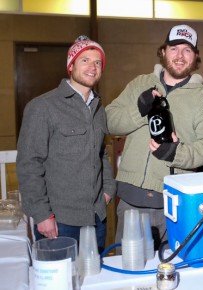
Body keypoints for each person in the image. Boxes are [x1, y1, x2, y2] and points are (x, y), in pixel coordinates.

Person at [105, 24, 203, 251]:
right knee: (131, 274)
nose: (179, 56)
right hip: (130, 203)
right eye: (174, 48)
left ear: (195, 57)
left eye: (187, 50)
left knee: (174, 272)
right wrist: (139, 109)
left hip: (175, 203)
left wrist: (177, 154)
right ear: (163, 51)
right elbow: (109, 121)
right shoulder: (140, 83)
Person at [16, 35, 116, 253]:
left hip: (95, 217)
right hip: (59, 221)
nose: (93, 67)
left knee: (93, 282)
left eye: (97, 62)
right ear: (71, 65)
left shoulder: (99, 108)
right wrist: (42, 214)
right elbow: (29, 164)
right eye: (85, 60)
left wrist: (108, 189)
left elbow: (101, 154)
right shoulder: (43, 107)